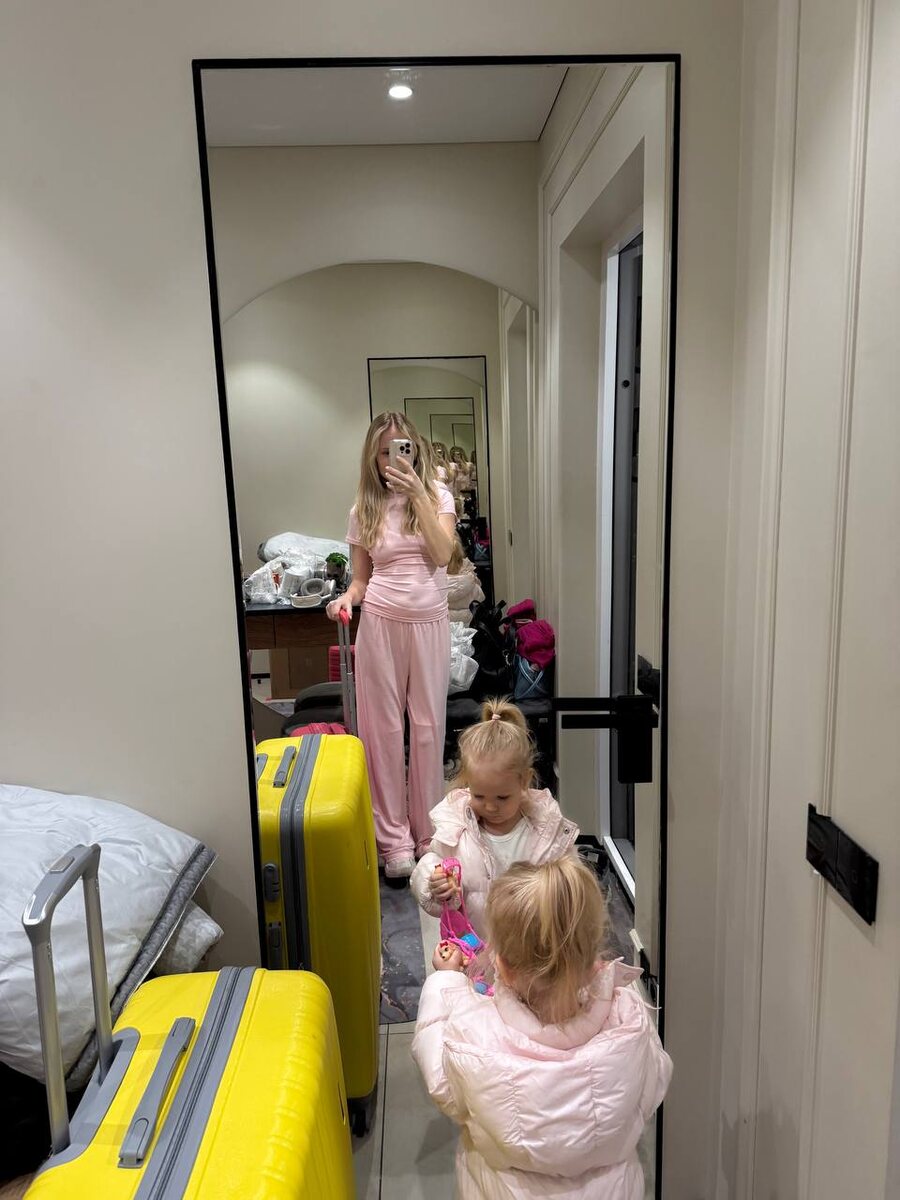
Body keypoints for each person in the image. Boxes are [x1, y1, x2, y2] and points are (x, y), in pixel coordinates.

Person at [412, 857, 672, 1198]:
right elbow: (657, 1079)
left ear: (502, 966)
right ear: (592, 956)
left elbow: (441, 1080)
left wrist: (446, 980)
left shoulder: (473, 1032)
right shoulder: (629, 1020)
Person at [327, 412, 457, 879]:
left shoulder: (438, 496)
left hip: (430, 622)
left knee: (428, 728)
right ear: (373, 457)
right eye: (384, 451)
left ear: (415, 449)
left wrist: (418, 493)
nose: (393, 459)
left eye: (402, 448)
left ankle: (427, 833)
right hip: (380, 620)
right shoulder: (363, 508)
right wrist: (347, 597)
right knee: (381, 730)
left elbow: (443, 555)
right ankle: (393, 841)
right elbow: (362, 579)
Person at [410, 698, 578, 938]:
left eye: (502, 797)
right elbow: (433, 861)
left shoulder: (546, 831)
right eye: (478, 796)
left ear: (524, 780)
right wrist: (434, 882)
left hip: (531, 950)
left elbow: (571, 886)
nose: (490, 807)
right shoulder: (456, 828)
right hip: (473, 948)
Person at [446, 537, 484, 625]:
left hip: (444, 625)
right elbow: (480, 598)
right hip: (468, 626)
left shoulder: (436, 586)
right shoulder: (471, 581)